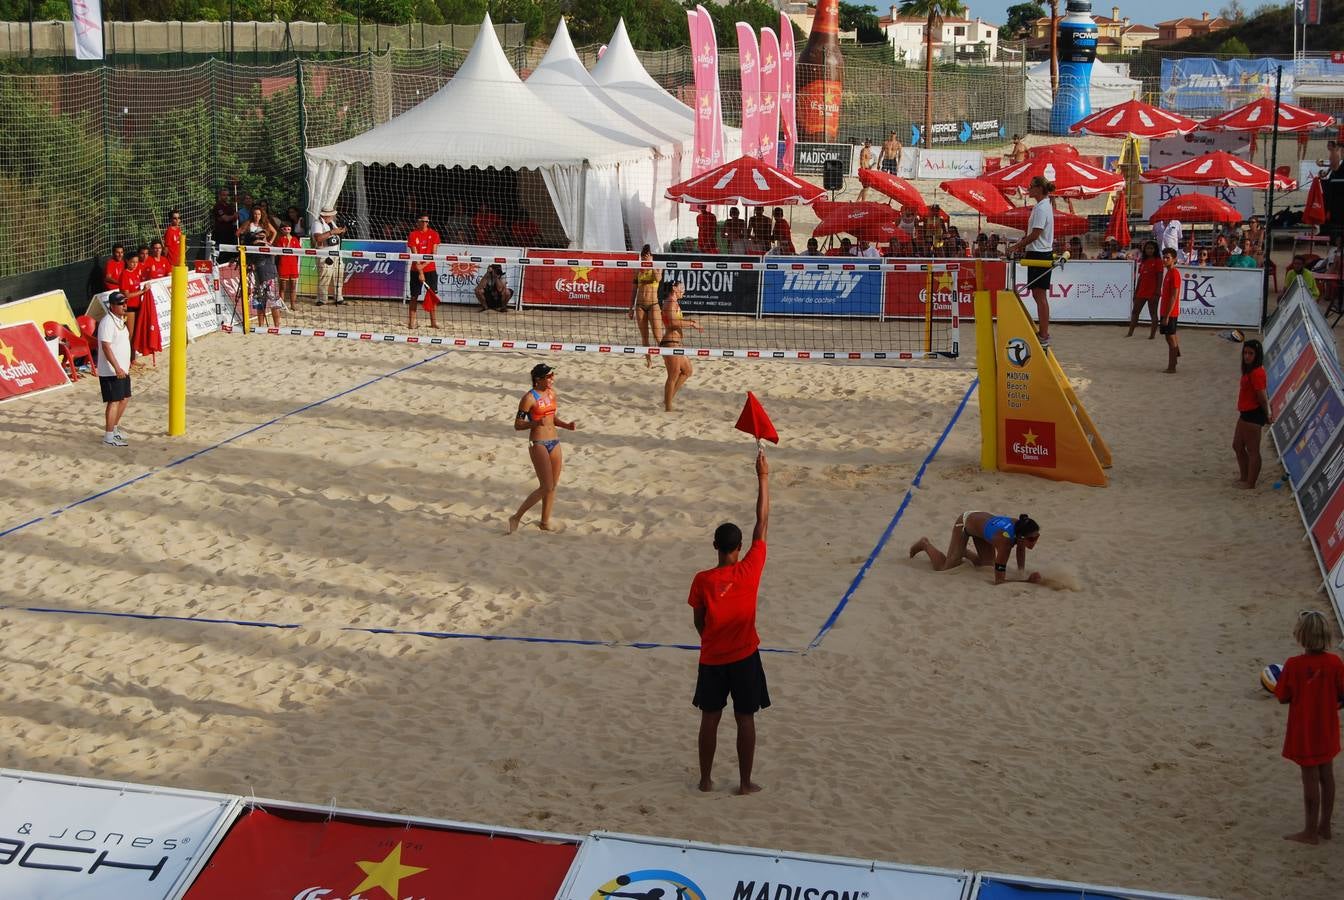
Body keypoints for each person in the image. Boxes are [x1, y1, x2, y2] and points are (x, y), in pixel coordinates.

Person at [689, 449, 771, 795]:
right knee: (745, 718)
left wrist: (710, 639)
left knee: (710, 718)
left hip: (712, 658)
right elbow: (762, 522)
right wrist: (763, 476)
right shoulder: (750, 569)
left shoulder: (703, 580)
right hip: (744, 656)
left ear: (715, 546)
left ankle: (705, 780)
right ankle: (744, 782)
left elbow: (699, 621)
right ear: (739, 547)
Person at [1275, 610, 1344, 845]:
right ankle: (1325, 826)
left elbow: (1283, 696)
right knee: (1327, 775)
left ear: (1301, 635)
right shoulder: (1335, 662)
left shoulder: (1294, 665)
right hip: (1327, 727)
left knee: (1310, 778)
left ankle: (1310, 831)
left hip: (1305, 730)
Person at [508, 364, 577, 534]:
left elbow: (552, 418)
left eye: (552, 375)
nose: (552, 379)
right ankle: (516, 517)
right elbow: (518, 425)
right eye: (549, 376)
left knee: (553, 486)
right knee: (546, 486)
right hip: (538, 442)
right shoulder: (528, 398)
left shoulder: (552, 393)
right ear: (538, 379)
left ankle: (544, 522)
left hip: (554, 441)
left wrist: (566, 425)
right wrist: (535, 423)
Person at [909, 511, 1043, 585]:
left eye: (1037, 537)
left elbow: (1020, 549)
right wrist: (1026, 581)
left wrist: (1021, 572)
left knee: (986, 565)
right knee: (944, 567)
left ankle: (962, 551)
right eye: (1032, 539)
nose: (1035, 541)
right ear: (1021, 538)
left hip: (983, 528)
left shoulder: (1020, 526)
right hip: (965, 523)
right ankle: (925, 544)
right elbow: (999, 581)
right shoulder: (1005, 543)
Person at [1007, 175, 1056, 346]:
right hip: (1038, 252)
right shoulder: (1042, 206)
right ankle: (1043, 332)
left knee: (1040, 295)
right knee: (1037, 295)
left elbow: (1036, 234)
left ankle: (1044, 334)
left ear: (1039, 189)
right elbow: (1034, 234)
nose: (1029, 189)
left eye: (1031, 186)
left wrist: (1016, 246)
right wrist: (1021, 244)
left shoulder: (1042, 208)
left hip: (1039, 254)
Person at [1232, 339, 1273, 488]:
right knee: (1237, 445)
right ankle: (1244, 477)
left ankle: (1250, 483)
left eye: (1251, 353)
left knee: (1253, 450)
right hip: (1245, 412)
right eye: (1245, 353)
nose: (1247, 356)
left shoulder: (1257, 372)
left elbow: (1262, 397)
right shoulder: (1249, 370)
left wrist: (1267, 414)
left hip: (1253, 414)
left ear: (1257, 355)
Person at [659, 280, 701, 412]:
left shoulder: (674, 303)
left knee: (687, 371)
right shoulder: (670, 302)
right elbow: (673, 323)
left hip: (676, 343)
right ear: (674, 288)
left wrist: (689, 322)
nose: (684, 290)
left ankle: (667, 400)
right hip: (670, 343)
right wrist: (691, 323)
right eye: (681, 287)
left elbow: (676, 321)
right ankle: (668, 408)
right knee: (673, 375)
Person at [97, 292, 132, 447]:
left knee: (124, 398)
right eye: (121, 304)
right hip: (111, 370)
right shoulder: (107, 322)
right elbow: (106, 346)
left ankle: (114, 429)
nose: (124, 306)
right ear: (112, 306)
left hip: (123, 369)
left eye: (125, 303)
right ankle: (108, 437)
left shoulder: (120, 320)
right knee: (114, 401)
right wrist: (116, 367)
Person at [407, 214, 441, 329]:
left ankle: (433, 323)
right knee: (414, 296)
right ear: (418, 222)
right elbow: (415, 254)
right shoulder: (413, 234)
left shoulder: (434, 234)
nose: (425, 223)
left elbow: (434, 254)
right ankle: (411, 323)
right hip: (416, 269)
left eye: (426, 221)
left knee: (432, 295)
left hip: (430, 268)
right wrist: (420, 271)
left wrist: (423, 266)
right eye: (422, 221)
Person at [629, 245, 663, 362]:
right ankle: (649, 362)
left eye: (647, 256)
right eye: (643, 256)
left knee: (658, 336)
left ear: (651, 256)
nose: (645, 258)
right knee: (644, 337)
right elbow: (634, 290)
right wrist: (630, 308)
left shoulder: (658, 266)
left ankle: (667, 360)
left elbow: (658, 279)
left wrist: (650, 264)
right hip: (639, 306)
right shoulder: (637, 270)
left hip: (653, 305)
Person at [312, 206, 346, 306]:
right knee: (324, 278)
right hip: (324, 255)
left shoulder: (331, 223)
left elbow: (335, 236)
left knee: (338, 277)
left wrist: (341, 231)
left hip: (336, 254)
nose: (333, 216)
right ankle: (322, 299)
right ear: (326, 216)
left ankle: (338, 298)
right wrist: (332, 232)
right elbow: (318, 238)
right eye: (331, 215)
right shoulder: (317, 223)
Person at [1128, 239, 1162, 339]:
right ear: (1144, 250)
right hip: (1142, 291)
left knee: (1153, 313)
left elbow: (1160, 277)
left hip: (1153, 291)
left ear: (1155, 250)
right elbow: (1140, 278)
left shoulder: (1158, 261)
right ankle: (1130, 333)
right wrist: (1136, 291)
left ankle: (1152, 335)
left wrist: (1157, 291)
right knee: (1135, 312)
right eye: (1147, 248)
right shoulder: (1143, 261)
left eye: (1151, 248)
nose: (1149, 250)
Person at [1159, 247, 1181, 373]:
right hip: (1165, 310)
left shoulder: (1174, 273)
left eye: (1168, 257)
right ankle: (1175, 360)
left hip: (1170, 312)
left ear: (1174, 259)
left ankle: (1172, 367)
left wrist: (1167, 315)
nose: (1165, 259)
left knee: (1170, 338)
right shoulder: (1168, 273)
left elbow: (1174, 296)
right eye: (1164, 257)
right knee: (1170, 337)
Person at [275, 222, 301, 311]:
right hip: (283, 264)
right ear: (281, 230)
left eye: (288, 228)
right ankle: (282, 305)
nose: (287, 230)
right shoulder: (280, 239)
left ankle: (293, 305)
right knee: (283, 287)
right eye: (284, 228)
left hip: (293, 265)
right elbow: (278, 252)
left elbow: (299, 250)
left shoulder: (295, 239)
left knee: (293, 286)